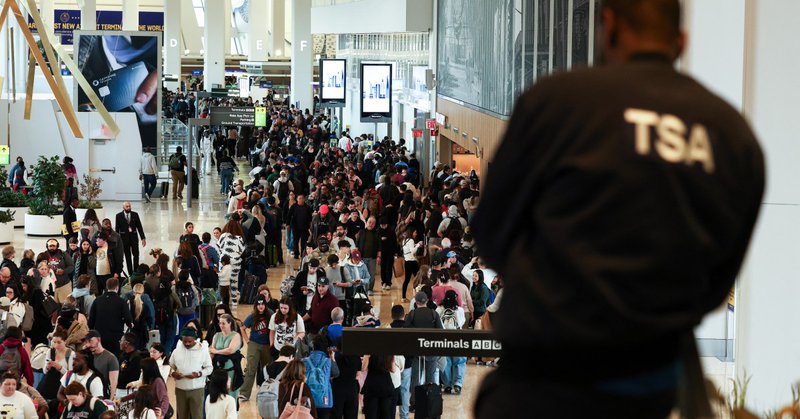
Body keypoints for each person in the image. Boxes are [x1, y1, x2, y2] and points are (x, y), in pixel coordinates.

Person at [471, 1, 765, 417]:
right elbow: (718, 283)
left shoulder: (557, 103)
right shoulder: (732, 137)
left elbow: (491, 234)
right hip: (651, 392)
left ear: (607, 25)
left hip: (541, 386)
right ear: (681, 41)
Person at [170, 328, 213, 419]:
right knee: (182, 416)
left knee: (197, 416)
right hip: (180, 389)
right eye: (184, 341)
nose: (187, 344)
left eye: (190, 341)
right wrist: (174, 374)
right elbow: (171, 367)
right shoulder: (176, 351)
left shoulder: (202, 351)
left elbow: (209, 368)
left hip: (197, 389)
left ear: (195, 339)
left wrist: (198, 374)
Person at [405, 292, 443, 390]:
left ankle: (415, 402)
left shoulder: (412, 314)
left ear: (416, 302)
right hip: (431, 350)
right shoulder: (434, 314)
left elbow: (405, 331)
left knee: (415, 380)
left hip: (416, 352)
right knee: (430, 379)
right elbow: (441, 332)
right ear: (427, 301)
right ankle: (430, 401)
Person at [88, 278, 132, 358]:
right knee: (114, 360)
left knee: (101, 360)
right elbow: (128, 319)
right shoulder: (121, 302)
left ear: (106, 287)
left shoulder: (97, 301)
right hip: (115, 337)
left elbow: (91, 321)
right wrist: (130, 324)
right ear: (117, 288)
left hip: (100, 337)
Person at [240, 296, 273, 402]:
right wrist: (247, 341)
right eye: (258, 304)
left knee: (267, 369)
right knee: (250, 368)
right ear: (256, 306)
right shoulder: (252, 316)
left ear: (265, 305)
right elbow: (242, 328)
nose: (261, 306)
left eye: (262, 304)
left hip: (267, 345)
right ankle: (244, 393)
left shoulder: (271, 314)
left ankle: (267, 391)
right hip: (254, 343)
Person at [303, 334, 339, 418]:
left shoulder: (304, 361)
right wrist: (332, 357)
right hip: (325, 400)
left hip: (308, 400)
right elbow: (336, 373)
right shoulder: (328, 361)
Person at [209, 314, 243, 401]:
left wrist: (216, 351)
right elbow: (211, 350)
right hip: (218, 370)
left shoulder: (236, 336)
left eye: (223, 323)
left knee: (230, 394)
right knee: (218, 394)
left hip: (231, 371)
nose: (221, 325)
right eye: (220, 323)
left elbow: (230, 350)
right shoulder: (217, 335)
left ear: (229, 323)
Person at [35, 239, 75, 304]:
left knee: (66, 305)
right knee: (52, 308)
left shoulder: (63, 254)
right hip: (49, 286)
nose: (52, 248)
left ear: (57, 246)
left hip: (64, 285)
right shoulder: (44, 255)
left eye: (54, 246)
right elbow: (37, 267)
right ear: (47, 246)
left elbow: (71, 266)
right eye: (50, 246)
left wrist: (64, 271)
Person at [218, 220, 245, 310]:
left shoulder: (223, 236)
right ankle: (234, 302)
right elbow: (242, 250)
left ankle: (224, 300)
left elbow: (220, 247)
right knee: (234, 281)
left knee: (223, 282)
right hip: (236, 262)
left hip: (224, 261)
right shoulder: (239, 238)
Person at [83, 330, 118, 399]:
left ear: (98, 340)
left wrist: (111, 401)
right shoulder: (87, 356)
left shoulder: (111, 358)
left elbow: (113, 383)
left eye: (90, 341)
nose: (88, 345)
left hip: (102, 395)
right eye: (86, 342)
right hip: (86, 395)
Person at [115, 202, 146, 276]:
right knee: (127, 257)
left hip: (134, 238)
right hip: (124, 240)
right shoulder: (118, 216)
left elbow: (139, 227)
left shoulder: (135, 214)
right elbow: (117, 229)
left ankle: (136, 270)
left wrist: (143, 238)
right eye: (127, 206)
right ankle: (130, 273)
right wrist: (117, 241)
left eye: (129, 206)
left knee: (136, 255)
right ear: (123, 207)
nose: (128, 208)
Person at [361, 355, 396, 419]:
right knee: (386, 414)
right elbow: (393, 370)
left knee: (371, 414)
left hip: (372, 386)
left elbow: (363, 369)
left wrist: (366, 357)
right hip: (386, 386)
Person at [115, 333, 141, 400]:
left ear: (126, 343)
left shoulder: (136, 358)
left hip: (129, 392)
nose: (120, 343)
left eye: (121, 341)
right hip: (119, 389)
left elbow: (131, 377)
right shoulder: (122, 355)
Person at [287, 194, 313, 260]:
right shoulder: (294, 206)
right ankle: (296, 254)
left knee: (304, 242)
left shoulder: (307, 207)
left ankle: (303, 254)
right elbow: (289, 216)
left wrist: (310, 225)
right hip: (295, 227)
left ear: (304, 199)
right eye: (299, 198)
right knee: (295, 241)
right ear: (297, 199)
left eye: (302, 198)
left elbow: (310, 217)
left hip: (304, 227)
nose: (301, 200)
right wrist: (288, 224)